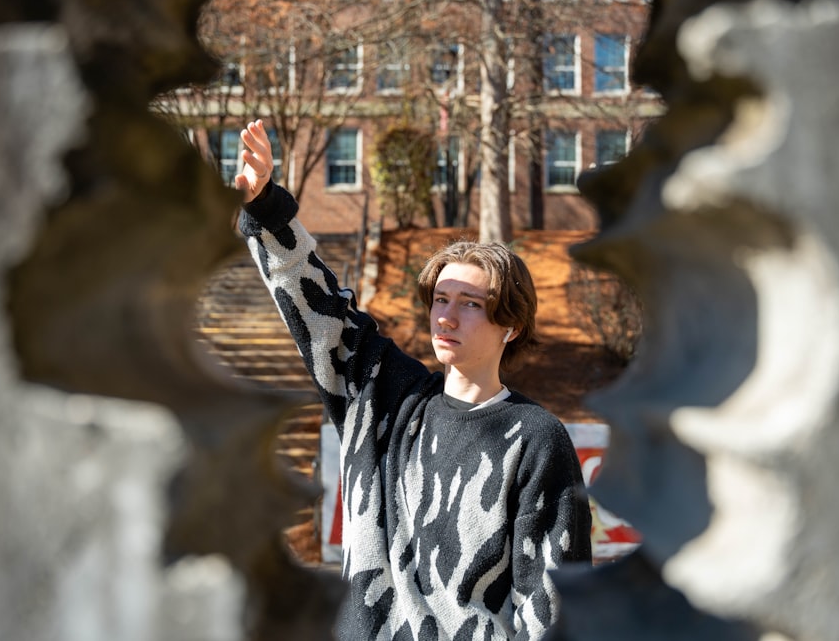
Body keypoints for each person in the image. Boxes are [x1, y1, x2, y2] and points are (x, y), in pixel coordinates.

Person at [234, 119, 592, 641]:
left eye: (471, 304)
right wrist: (265, 206)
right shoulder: (381, 397)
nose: (446, 316)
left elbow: (551, 611)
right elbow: (321, 312)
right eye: (440, 299)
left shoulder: (536, 438)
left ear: (510, 326)